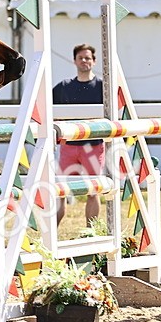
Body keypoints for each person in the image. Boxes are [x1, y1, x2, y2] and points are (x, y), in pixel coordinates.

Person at [53, 43, 105, 225]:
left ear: (94, 61)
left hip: (94, 146)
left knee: (94, 190)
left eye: (88, 58)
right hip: (68, 146)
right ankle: (51, 234)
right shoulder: (63, 87)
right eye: (81, 58)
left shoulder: (102, 86)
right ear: (74, 60)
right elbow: (47, 109)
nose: (84, 61)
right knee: (61, 191)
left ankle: (91, 232)